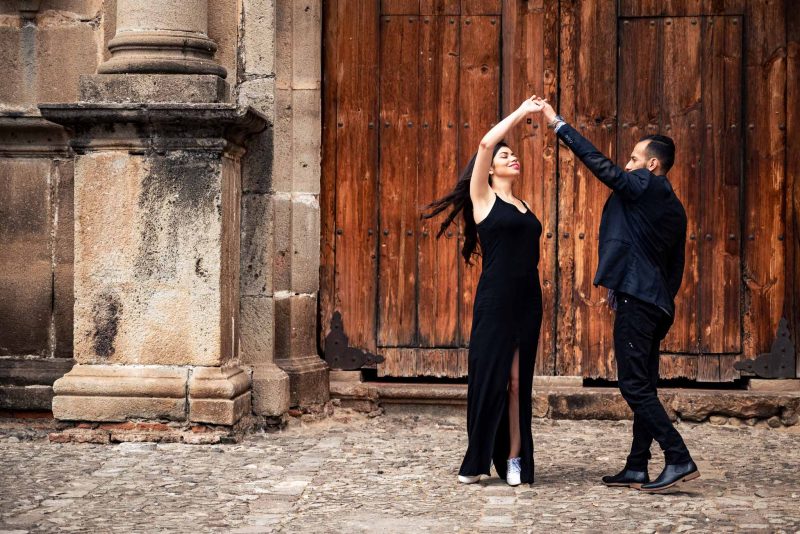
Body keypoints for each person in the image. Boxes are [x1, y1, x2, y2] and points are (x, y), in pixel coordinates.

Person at [534, 98, 699, 493]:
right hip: (656, 302)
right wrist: (653, 295)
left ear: (652, 165)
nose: (627, 164)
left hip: (640, 301)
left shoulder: (646, 184)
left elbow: (605, 169)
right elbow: (674, 267)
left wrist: (559, 125)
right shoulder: (674, 207)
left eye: (634, 157)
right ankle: (637, 466)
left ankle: (678, 456)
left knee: (632, 385)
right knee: (644, 383)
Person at [422, 96, 544, 486]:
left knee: (517, 384)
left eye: (514, 155)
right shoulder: (483, 199)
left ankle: (514, 460)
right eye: (505, 156)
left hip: (528, 301)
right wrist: (523, 114)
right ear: (489, 170)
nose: (512, 158)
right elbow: (485, 144)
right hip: (494, 302)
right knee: (491, 380)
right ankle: (476, 461)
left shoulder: (524, 205)